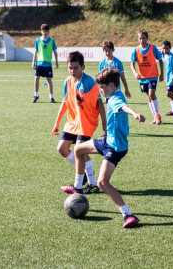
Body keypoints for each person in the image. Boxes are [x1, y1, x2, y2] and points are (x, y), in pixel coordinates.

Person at [62, 67, 145, 228]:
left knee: (102, 183)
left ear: (112, 85)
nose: (100, 91)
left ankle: (128, 215)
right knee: (79, 149)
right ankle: (78, 187)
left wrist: (135, 114)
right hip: (108, 141)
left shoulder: (115, 99)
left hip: (115, 148)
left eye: (102, 88)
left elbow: (123, 107)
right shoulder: (114, 93)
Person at [52, 51, 106, 194]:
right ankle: (83, 172)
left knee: (79, 150)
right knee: (62, 148)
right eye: (70, 68)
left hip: (86, 122)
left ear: (83, 67)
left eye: (76, 68)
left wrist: (105, 125)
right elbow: (65, 102)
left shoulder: (89, 82)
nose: (72, 71)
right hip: (72, 121)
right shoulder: (67, 81)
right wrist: (56, 123)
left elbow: (100, 104)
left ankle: (86, 185)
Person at [130, 29, 164, 125]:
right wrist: (135, 73)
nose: (142, 40)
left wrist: (162, 74)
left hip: (153, 76)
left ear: (147, 38)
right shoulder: (136, 50)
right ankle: (155, 117)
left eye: (144, 38)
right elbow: (132, 64)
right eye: (140, 39)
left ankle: (157, 115)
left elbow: (160, 60)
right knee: (148, 97)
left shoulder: (153, 48)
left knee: (151, 94)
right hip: (143, 78)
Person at [32, 24, 59, 103]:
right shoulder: (38, 40)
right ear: (41, 31)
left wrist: (56, 62)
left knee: (49, 80)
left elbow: (55, 52)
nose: (45, 32)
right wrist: (33, 62)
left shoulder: (52, 41)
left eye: (46, 31)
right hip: (39, 63)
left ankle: (51, 97)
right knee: (36, 78)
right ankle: (36, 95)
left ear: (48, 32)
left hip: (47, 64)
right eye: (43, 31)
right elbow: (35, 52)